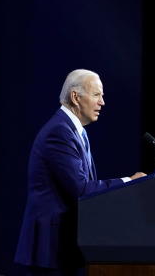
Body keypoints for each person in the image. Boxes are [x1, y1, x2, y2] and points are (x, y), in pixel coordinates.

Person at [15, 69, 146, 276]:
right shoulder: (59, 132)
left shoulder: (76, 131)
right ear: (76, 97)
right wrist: (128, 181)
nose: (102, 102)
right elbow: (82, 189)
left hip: (64, 247)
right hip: (50, 249)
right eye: (96, 95)